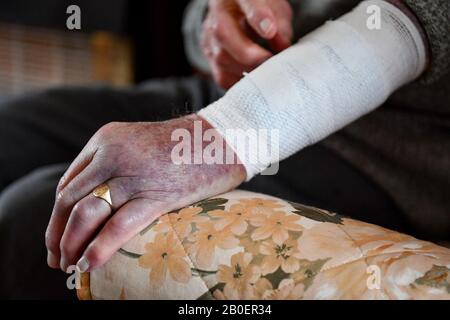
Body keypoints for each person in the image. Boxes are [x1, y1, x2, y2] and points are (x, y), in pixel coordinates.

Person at [0, 0, 448, 299]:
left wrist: (228, 134)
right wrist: (220, 23)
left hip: (371, 158)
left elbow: (415, 25)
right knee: (10, 131)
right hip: (226, 91)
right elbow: (202, 15)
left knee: (33, 212)